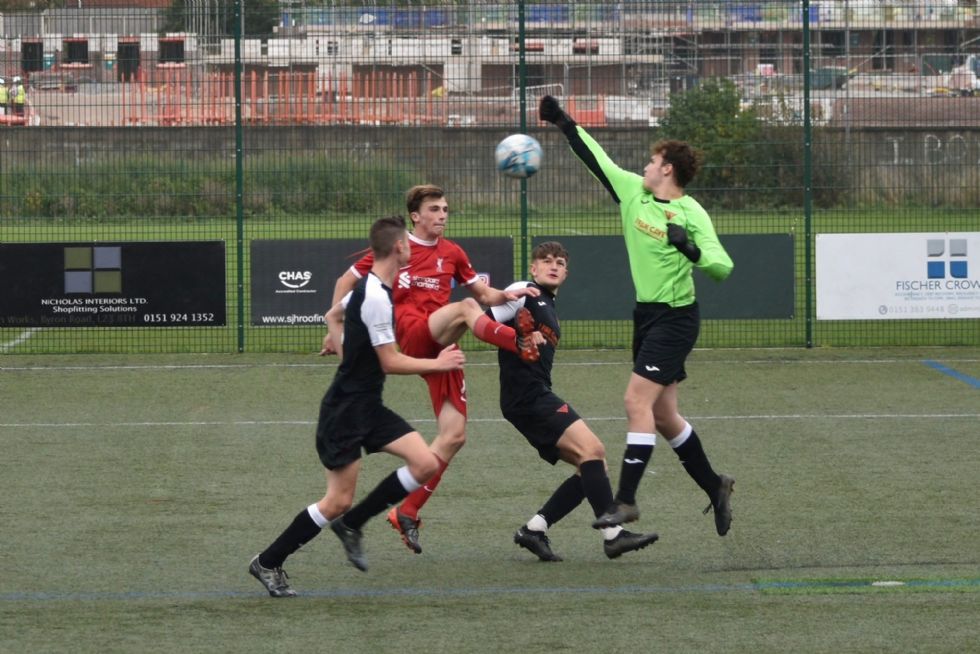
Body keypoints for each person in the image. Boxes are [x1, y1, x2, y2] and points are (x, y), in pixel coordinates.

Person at [538, 95, 737, 536]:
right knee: (664, 416)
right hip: (646, 316)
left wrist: (692, 248)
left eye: (652, 161)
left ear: (667, 168)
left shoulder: (692, 213)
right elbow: (596, 157)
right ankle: (715, 485)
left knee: (635, 402)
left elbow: (722, 267)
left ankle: (625, 501)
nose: (645, 166)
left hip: (676, 318)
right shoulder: (633, 192)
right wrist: (563, 122)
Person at [249, 216, 466, 597]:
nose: (411, 248)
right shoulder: (378, 296)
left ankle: (353, 525)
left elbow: (331, 315)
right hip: (346, 411)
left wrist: (345, 351)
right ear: (399, 247)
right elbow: (390, 361)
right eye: (407, 243)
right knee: (337, 501)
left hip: (367, 404)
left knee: (426, 463)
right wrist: (439, 363)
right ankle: (268, 562)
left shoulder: (372, 286)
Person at [321, 184, 541, 554]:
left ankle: (405, 512)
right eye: (435, 209)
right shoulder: (396, 245)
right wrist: (336, 329)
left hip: (440, 347)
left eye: (446, 209)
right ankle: (517, 342)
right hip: (410, 332)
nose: (442, 215)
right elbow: (346, 283)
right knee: (464, 309)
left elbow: (484, 294)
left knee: (454, 435)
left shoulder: (452, 252)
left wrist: (506, 296)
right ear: (415, 216)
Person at [491, 241, 660, 561]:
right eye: (545, 261)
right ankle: (613, 536)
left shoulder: (548, 305)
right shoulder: (524, 291)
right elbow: (482, 320)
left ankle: (534, 529)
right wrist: (517, 337)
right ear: (533, 269)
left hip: (530, 396)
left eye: (559, 263)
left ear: (566, 273)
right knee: (594, 450)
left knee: (592, 465)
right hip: (528, 396)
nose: (552, 266)